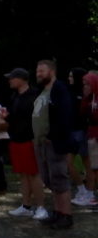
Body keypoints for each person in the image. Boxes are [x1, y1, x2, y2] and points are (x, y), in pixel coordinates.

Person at [0, 68, 46, 219]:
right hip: (16, 139)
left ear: (22, 79)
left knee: (33, 174)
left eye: (12, 78)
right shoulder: (15, 96)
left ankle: (41, 206)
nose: (9, 80)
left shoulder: (35, 95)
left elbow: (39, 118)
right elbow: (11, 116)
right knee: (23, 174)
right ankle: (26, 205)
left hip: (29, 139)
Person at [33, 60, 74, 228]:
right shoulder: (43, 91)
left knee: (59, 178)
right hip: (41, 142)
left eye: (41, 71)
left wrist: (53, 135)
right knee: (49, 179)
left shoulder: (59, 89)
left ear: (52, 71)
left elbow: (64, 114)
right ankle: (57, 212)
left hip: (54, 143)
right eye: (37, 72)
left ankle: (66, 215)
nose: (38, 74)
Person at [67, 67, 92, 205]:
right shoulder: (70, 92)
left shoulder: (84, 94)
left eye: (71, 76)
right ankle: (81, 188)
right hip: (71, 131)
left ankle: (89, 192)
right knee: (69, 162)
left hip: (81, 132)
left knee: (87, 162)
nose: (69, 78)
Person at [80, 72, 98, 208]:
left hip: (96, 136)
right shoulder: (89, 100)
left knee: (95, 168)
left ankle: (91, 194)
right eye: (84, 84)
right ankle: (90, 195)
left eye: (88, 84)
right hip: (91, 136)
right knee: (93, 167)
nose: (85, 87)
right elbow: (83, 112)